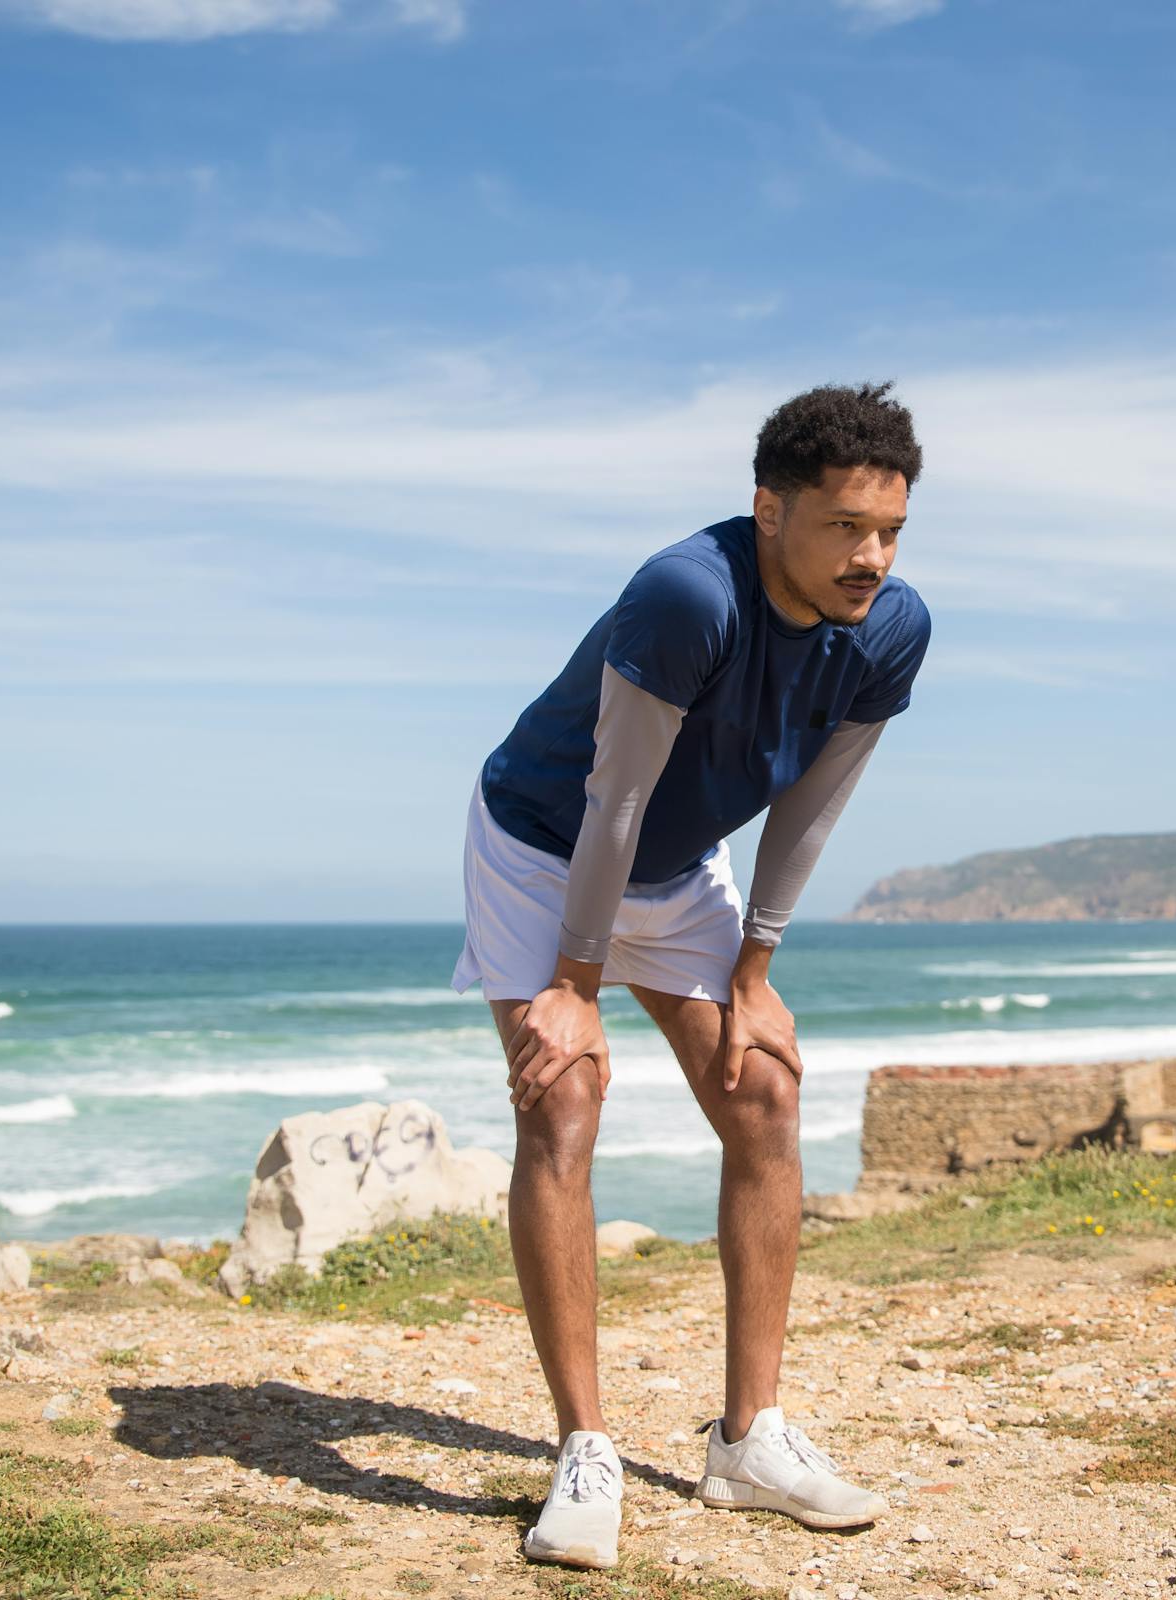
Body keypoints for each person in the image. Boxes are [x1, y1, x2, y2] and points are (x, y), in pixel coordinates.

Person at [448, 381, 933, 1569]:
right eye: (843, 528)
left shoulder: (894, 628)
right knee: (563, 1096)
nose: (870, 557)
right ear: (769, 508)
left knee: (762, 1086)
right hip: (543, 846)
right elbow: (612, 795)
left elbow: (814, 804)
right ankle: (584, 1448)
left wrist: (756, 968)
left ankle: (749, 1438)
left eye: (891, 532)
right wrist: (573, 979)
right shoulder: (687, 595)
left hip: (672, 870)